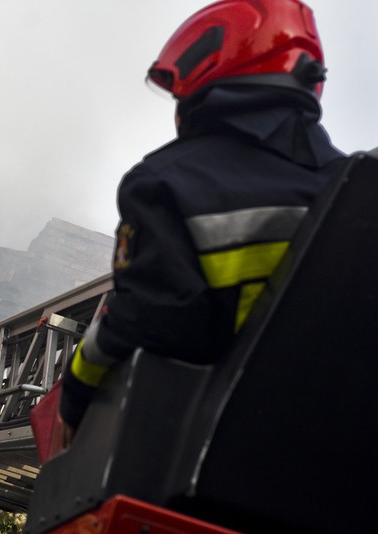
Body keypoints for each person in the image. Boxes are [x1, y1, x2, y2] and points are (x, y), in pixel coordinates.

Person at [59, 0, 347, 439]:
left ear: (212, 70)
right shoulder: (355, 188)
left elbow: (151, 324)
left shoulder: (168, 185)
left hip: (222, 463)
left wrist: (73, 399)